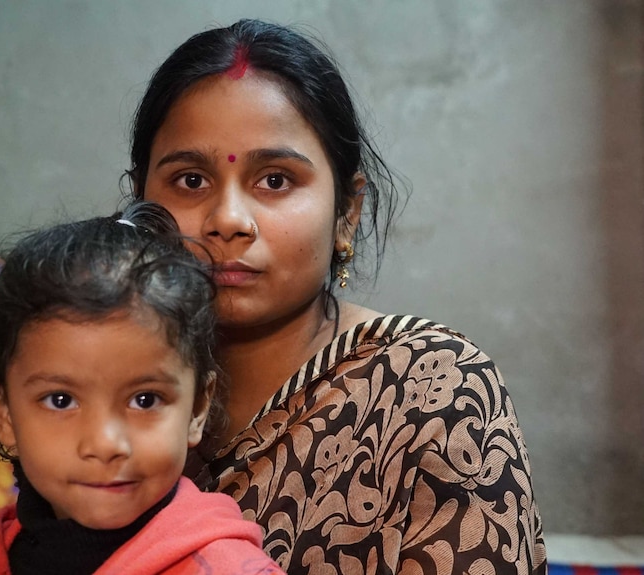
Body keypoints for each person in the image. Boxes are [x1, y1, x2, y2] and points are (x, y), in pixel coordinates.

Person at [125, 18, 547, 575]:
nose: (227, 220)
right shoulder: (99, 383)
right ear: (140, 203)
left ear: (347, 212)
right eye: (191, 181)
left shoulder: (431, 390)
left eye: (275, 180)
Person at [0, 201, 285, 575]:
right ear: (3, 413)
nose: (105, 445)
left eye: (145, 400)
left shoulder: (226, 568)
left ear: (197, 408)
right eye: (61, 400)